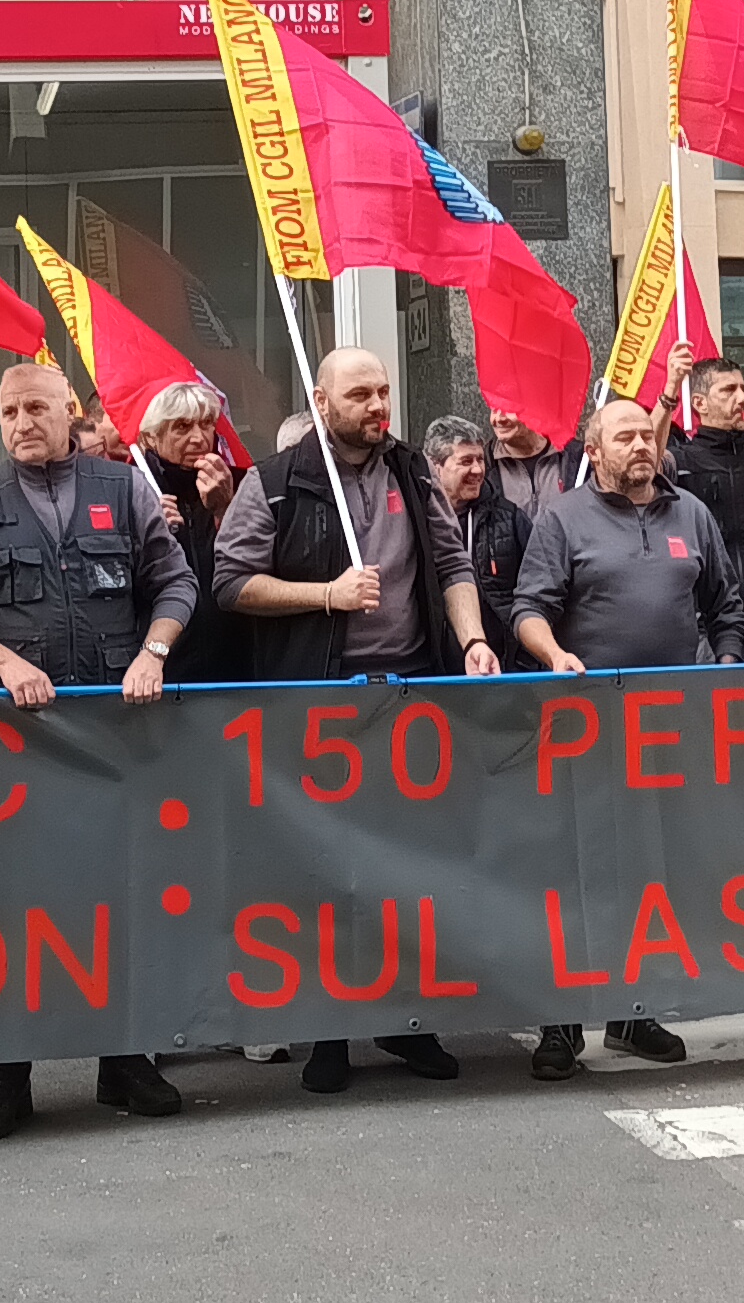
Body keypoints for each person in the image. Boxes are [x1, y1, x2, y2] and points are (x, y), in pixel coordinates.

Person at [0, 360, 196, 1134]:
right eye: (8, 411)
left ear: (68, 411)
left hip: (115, 738)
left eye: (37, 407)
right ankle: (9, 1077)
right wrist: (1, 662)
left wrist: (154, 652)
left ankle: (125, 1060)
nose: (22, 422)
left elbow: (176, 583)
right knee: (17, 910)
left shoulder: (123, 488)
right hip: (18, 746)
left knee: (119, 899)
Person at [211, 346, 500, 1092]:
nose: (378, 406)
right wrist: (326, 597)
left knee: (411, 868)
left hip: (410, 699)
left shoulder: (411, 471)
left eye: (384, 391)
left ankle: (408, 1020)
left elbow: (452, 566)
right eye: (361, 394)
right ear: (321, 400)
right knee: (325, 872)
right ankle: (330, 1032)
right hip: (320, 700)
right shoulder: (272, 485)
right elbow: (232, 584)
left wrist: (471, 640)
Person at [511, 395, 737, 1078]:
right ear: (595, 447)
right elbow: (528, 608)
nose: (641, 444)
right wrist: (554, 656)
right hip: (585, 727)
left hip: (669, 728)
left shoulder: (690, 514)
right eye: (625, 435)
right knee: (578, 874)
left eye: (647, 433)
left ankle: (633, 1013)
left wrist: (724, 666)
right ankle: (560, 1023)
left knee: (649, 872)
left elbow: (724, 605)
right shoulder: (562, 517)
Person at [140, 386, 248, 686]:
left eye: (206, 424)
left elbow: (256, 568)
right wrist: (146, 532)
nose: (199, 438)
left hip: (236, 661)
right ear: (150, 436)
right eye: (182, 427)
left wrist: (226, 509)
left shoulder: (240, 483)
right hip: (159, 667)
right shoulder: (131, 490)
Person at [668, 353, 744, 618]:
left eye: (743, 389)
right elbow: (644, 467)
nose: (743, 398)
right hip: (701, 629)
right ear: (699, 403)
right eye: (728, 390)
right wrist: (670, 390)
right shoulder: (679, 464)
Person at [423, 415, 534, 670]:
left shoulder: (509, 518)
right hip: (430, 670)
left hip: (498, 667)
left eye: (480, 459)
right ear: (434, 466)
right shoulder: (413, 519)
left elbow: (534, 596)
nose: (477, 470)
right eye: (465, 461)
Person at [483, 409, 579, 518]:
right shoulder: (483, 464)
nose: (499, 419)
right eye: (494, 409)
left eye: (508, 409)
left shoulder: (576, 457)